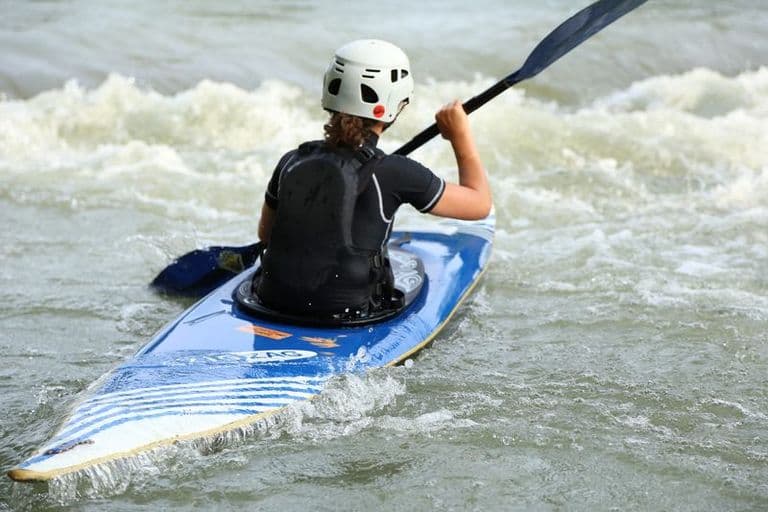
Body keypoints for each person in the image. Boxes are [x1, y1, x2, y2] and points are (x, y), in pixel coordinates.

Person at [255, 39, 491, 320]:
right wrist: (460, 136)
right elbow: (479, 204)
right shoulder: (395, 172)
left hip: (273, 300)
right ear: (397, 104)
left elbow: (266, 236)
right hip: (348, 312)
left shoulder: (292, 161)